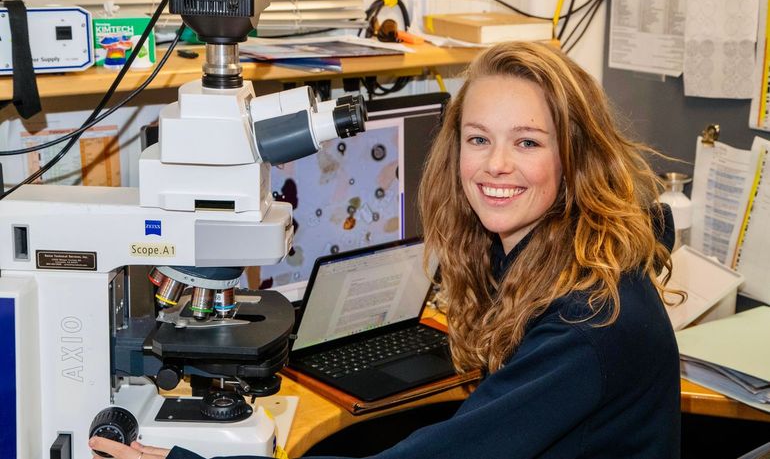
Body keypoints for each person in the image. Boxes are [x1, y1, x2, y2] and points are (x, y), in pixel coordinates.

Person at [90, 41, 682, 459]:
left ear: (575, 156)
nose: (496, 165)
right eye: (479, 139)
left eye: (527, 142)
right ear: (455, 151)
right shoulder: (549, 264)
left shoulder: (587, 323)